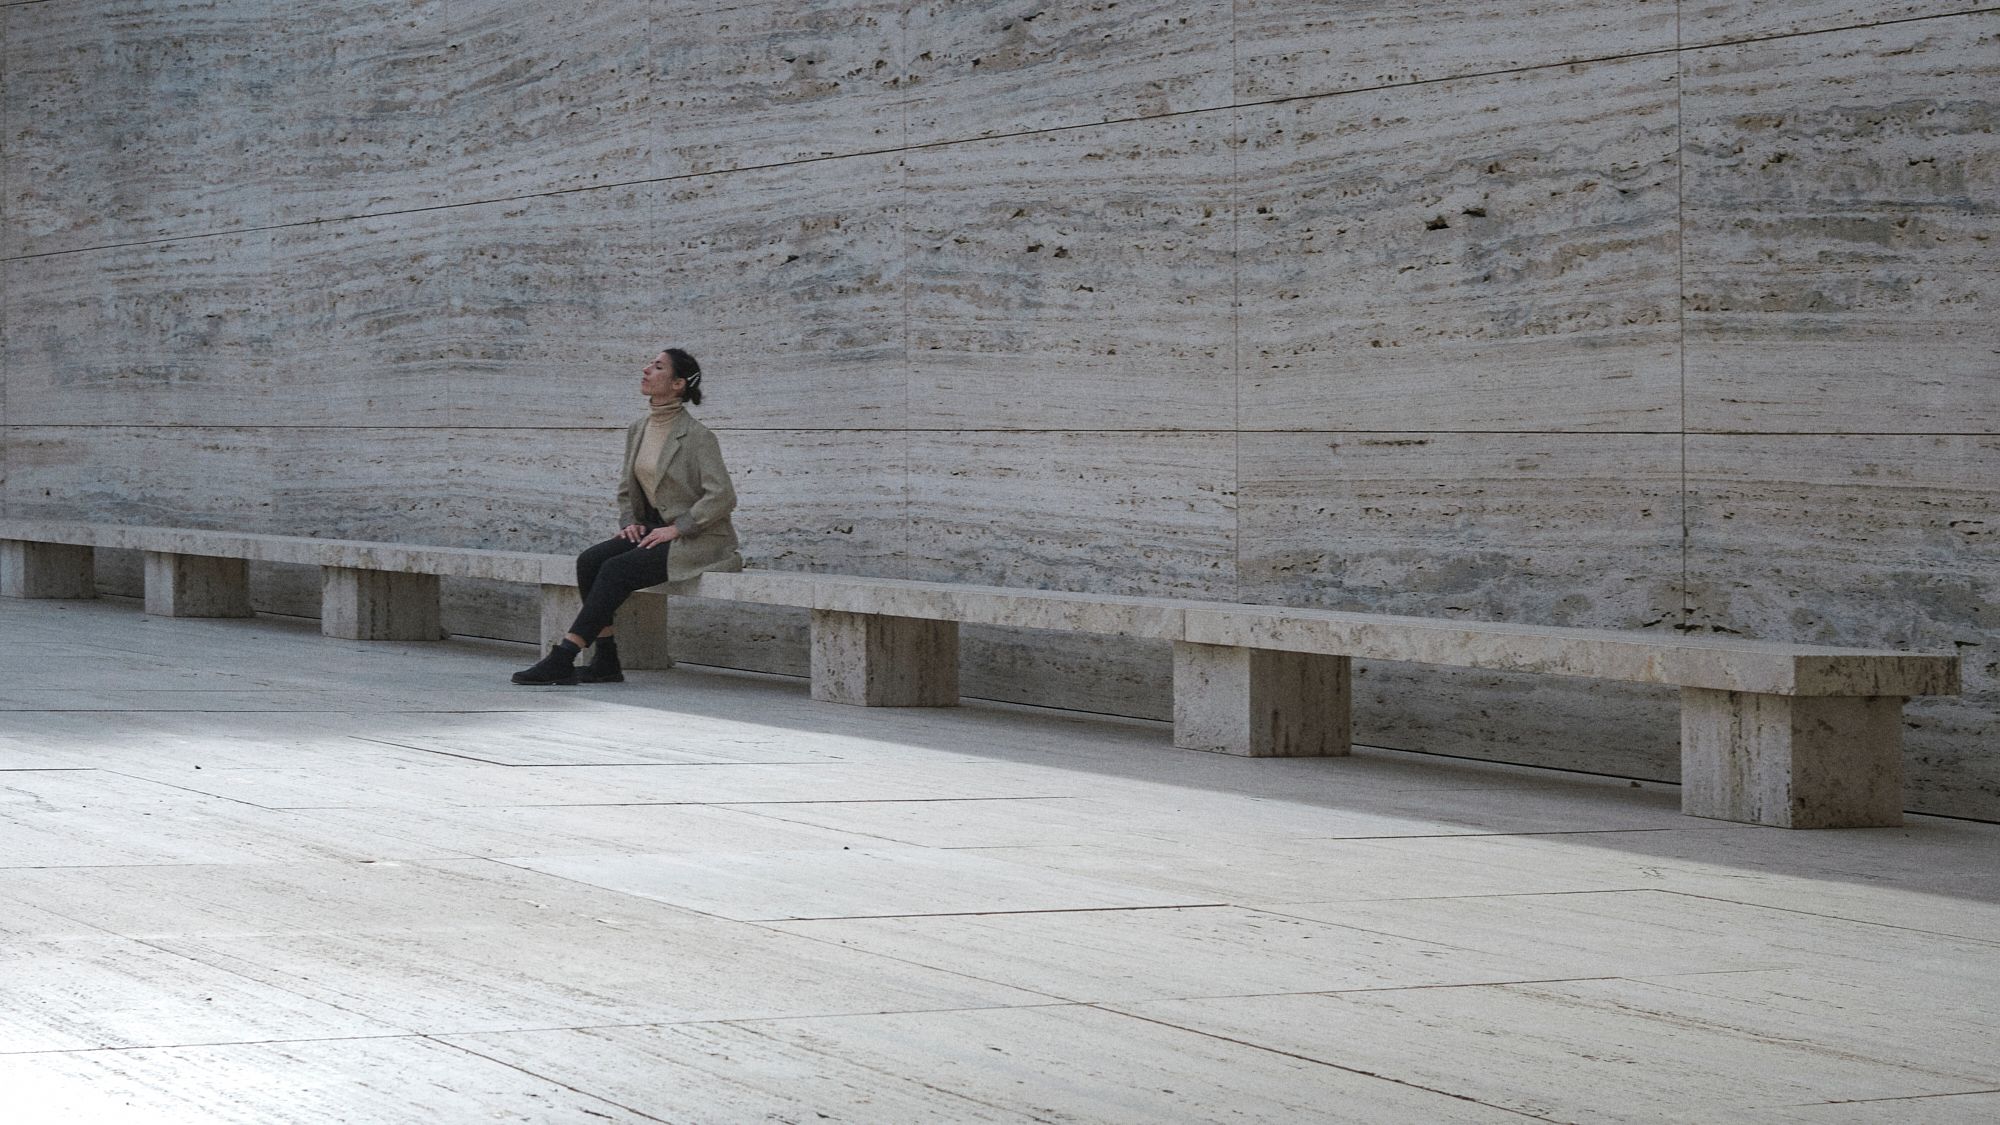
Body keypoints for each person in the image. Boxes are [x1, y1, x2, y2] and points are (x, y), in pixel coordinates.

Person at [512, 347, 742, 685]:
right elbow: (626, 488)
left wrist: (677, 529)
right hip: (653, 530)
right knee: (590, 561)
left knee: (616, 569)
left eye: (658, 366)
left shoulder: (698, 437)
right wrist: (630, 522)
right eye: (650, 363)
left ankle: (564, 655)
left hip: (699, 540)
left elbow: (722, 496)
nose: (646, 369)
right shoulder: (638, 429)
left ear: (678, 384)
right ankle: (606, 661)